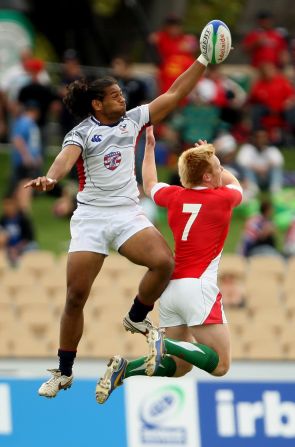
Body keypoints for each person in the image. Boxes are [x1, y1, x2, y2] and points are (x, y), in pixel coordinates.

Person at [24, 33, 215, 398]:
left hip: (127, 214)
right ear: (97, 104)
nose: (122, 98)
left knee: (163, 263)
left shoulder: (133, 120)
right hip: (92, 218)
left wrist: (203, 60)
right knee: (76, 297)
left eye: (121, 94)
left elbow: (175, 94)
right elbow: (65, 160)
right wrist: (51, 177)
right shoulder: (82, 132)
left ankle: (137, 316)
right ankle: (64, 372)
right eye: (114, 95)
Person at [95, 125, 242, 404]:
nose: (222, 171)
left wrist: (149, 147)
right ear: (209, 176)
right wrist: (213, 163)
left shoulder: (175, 196)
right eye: (218, 168)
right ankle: (165, 344)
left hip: (171, 288)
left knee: (180, 367)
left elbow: (149, 183)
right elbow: (236, 186)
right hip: (198, 286)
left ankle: (125, 370)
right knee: (221, 365)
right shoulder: (222, 197)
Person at [0, 195, 37, 267]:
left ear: (15, 205)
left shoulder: (23, 219)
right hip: (9, 248)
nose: (7, 207)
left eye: (9, 204)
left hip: (22, 247)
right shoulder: (3, 220)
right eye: (5, 204)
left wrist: (17, 248)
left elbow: (29, 238)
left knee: (32, 246)